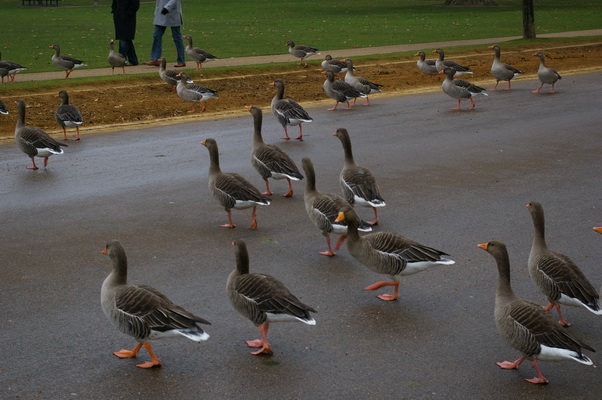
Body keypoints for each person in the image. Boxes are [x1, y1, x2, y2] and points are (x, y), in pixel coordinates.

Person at [144, 0, 186, 67]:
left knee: (177, 38)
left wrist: (167, 7)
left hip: (173, 12)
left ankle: (181, 60)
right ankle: (155, 59)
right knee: (156, 35)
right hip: (161, 13)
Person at [111, 0, 140, 66]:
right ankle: (133, 60)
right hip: (119, 16)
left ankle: (120, 61)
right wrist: (114, 10)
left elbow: (135, 5)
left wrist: (128, 13)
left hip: (128, 18)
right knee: (126, 39)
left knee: (123, 38)